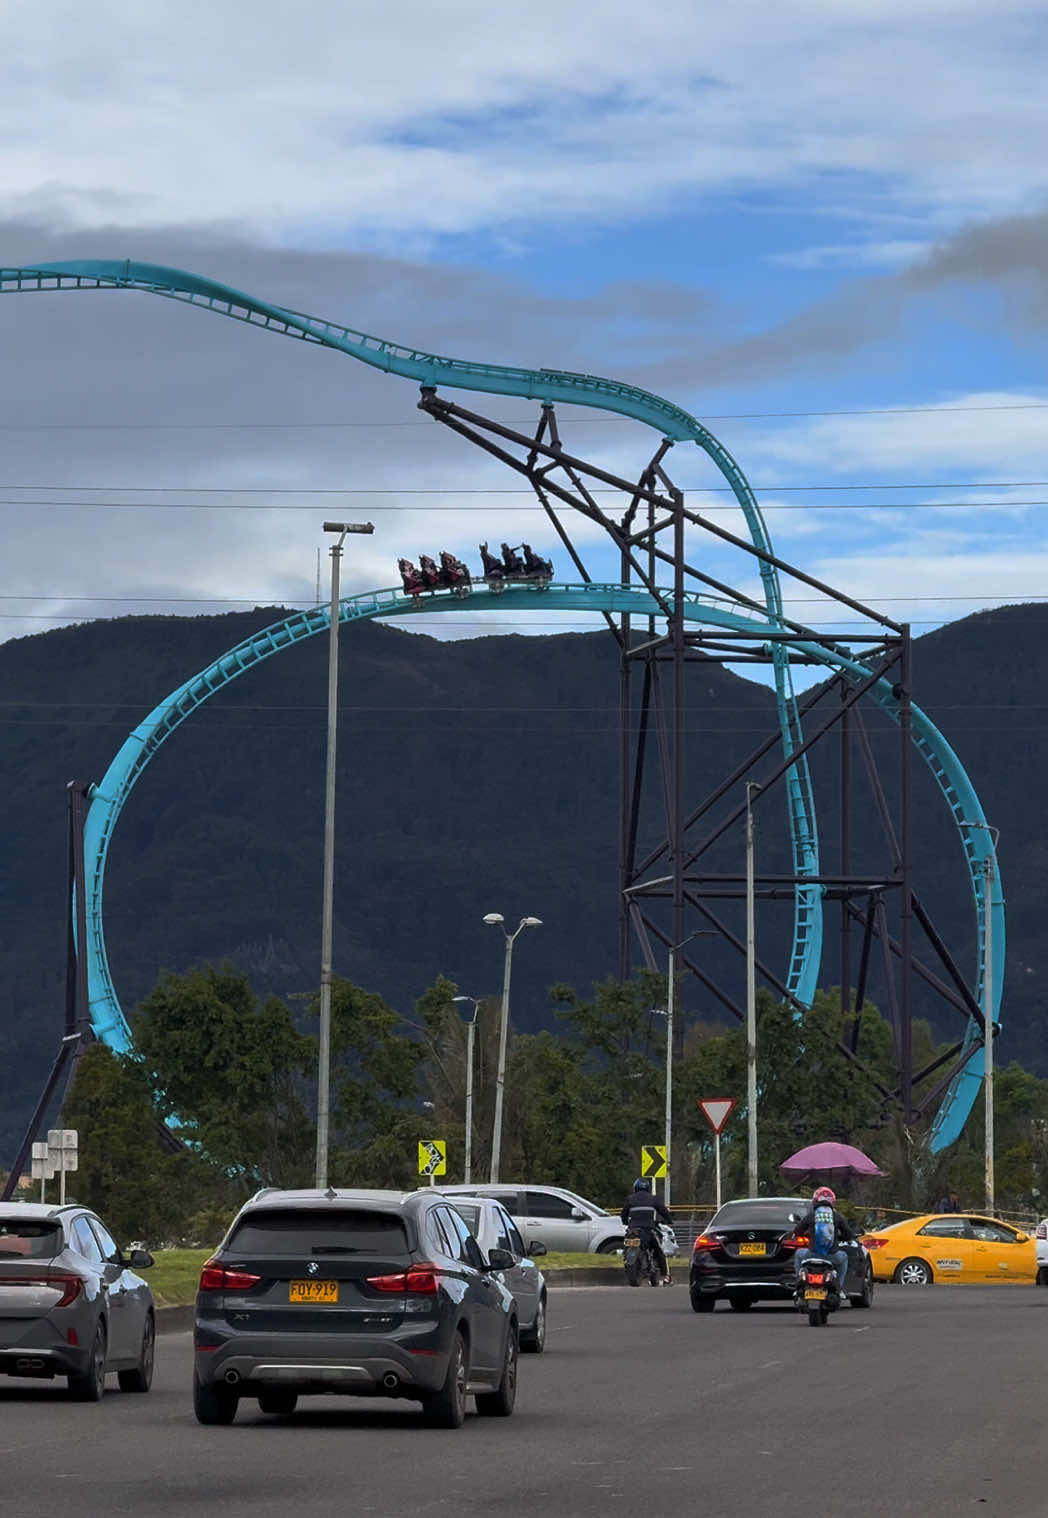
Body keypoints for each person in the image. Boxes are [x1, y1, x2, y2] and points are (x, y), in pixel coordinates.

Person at [791, 1186, 857, 1299]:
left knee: (798, 1254)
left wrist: (802, 1234)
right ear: (833, 1202)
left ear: (815, 1201)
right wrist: (842, 1238)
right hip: (832, 1257)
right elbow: (848, 1234)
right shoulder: (837, 1216)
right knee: (844, 1257)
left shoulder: (811, 1215)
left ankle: (799, 1285)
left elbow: (798, 1230)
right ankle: (839, 1288)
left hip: (811, 1255)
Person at [620, 1177, 674, 1285]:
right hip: (648, 1230)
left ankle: (629, 1262)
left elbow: (623, 1214)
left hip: (632, 1230)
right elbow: (663, 1211)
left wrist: (626, 1222)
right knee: (659, 1251)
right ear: (648, 1188)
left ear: (635, 1187)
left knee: (625, 1247)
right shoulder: (653, 1199)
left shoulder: (630, 1199)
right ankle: (666, 1276)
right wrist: (669, 1220)